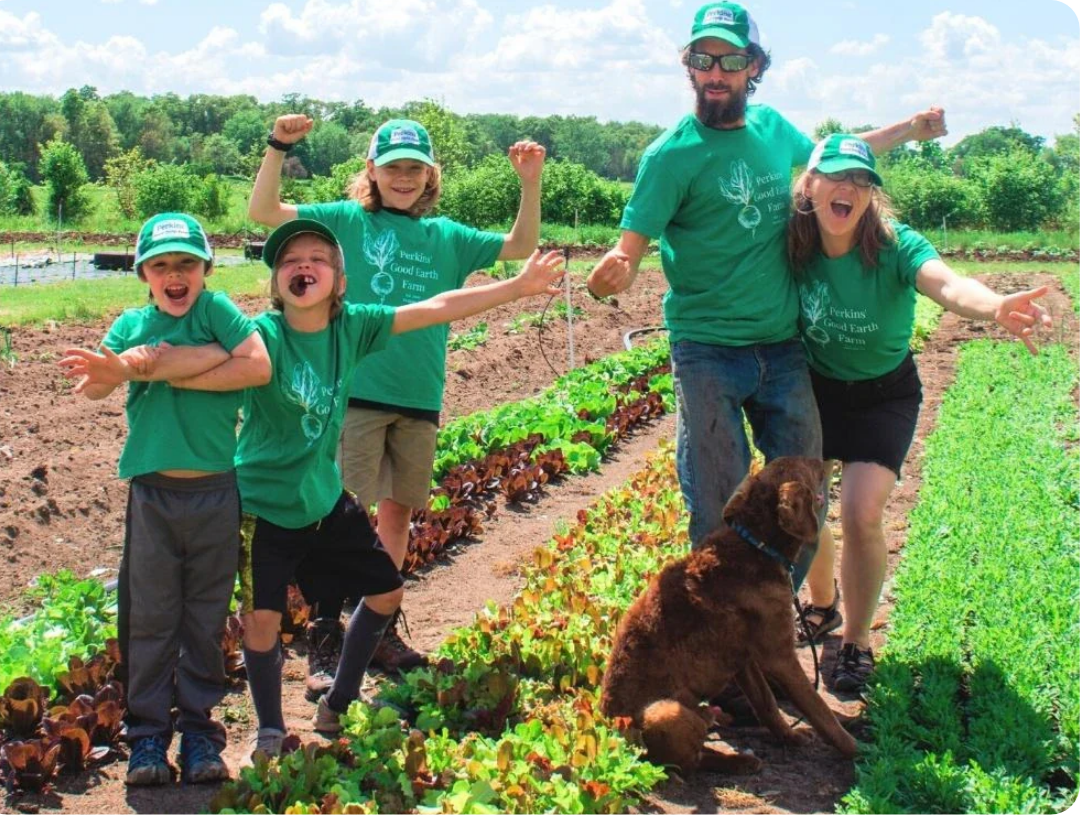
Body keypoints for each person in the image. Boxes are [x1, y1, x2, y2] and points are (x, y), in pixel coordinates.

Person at [586, 1, 946, 579]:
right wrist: (617, 268)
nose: (716, 72)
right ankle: (722, 632)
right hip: (706, 350)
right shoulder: (669, 156)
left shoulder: (774, 130)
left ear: (753, 66)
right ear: (689, 67)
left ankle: (773, 610)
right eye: (703, 59)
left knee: (804, 494)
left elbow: (835, 163)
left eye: (730, 59)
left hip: (781, 348)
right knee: (716, 502)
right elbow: (628, 248)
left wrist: (907, 130)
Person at [198, 218, 563, 756]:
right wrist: (132, 366)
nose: (304, 267)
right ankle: (271, 728)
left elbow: (435, 309)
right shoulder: (261, 337)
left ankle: (338, 705)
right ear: (275, 284)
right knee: (261, 621)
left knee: (387, 589)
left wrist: (516, 287)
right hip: (263, 506)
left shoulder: (354, 328)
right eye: (289, 262)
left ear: (341, 282)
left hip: (323, 500)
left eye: (318, 259)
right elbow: (199, 356)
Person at [249, 115, 546, 690]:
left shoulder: (446, 237)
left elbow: (520, 246)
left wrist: (529, 182)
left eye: (414, 169)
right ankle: (326, 636)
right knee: (338, 516)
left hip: (417, 396)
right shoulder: (343, 222)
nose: (403, 178)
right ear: (372, 172)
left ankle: (376, 627)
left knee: (397, 514)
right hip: (353, 391)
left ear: (429, 175)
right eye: (393, 168)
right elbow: (265, 212)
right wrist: (278, 147)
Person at [788, 133, 1052, 692]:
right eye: (836, 175)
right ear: (809, 185)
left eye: (862, 181)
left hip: (884, 394)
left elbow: (949, 285)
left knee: (860, 510)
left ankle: (857, 644)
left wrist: (995, 307)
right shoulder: (791, 238)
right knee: (805, 508)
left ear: (871, 195)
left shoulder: (895, 244)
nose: (849, 189)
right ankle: (822, 604)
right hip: (815, 389)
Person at [59, 213, 271, 786]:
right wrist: (123, 365)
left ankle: (201, 732)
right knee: (149, 618)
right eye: (160, 265)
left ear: (204, 269)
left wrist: (166, 366)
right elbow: (97, 384)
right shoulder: (132, 324)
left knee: (204, 619)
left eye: (186, 264)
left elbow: (258, 364)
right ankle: (148, 735)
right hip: (153, 495)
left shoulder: (218, 312)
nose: (174, 275)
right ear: (143, 274)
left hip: (214, 492)